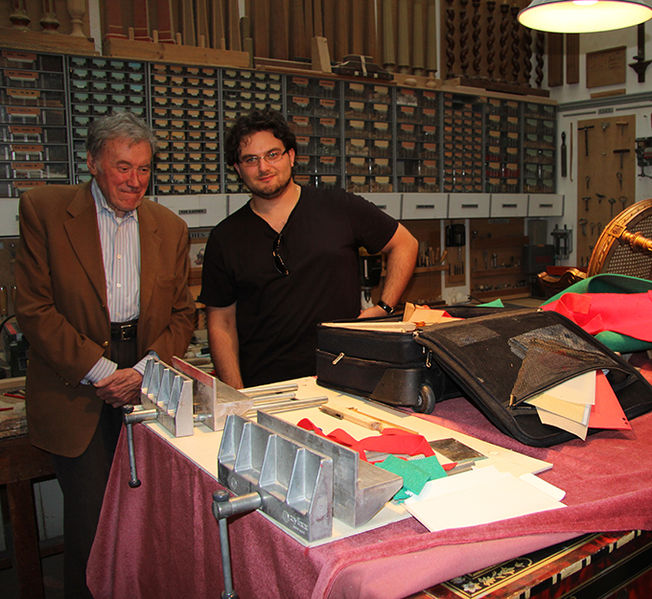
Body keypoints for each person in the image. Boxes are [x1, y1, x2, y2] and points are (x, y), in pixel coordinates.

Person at [15, 111, 195, 598]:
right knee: (92, 527)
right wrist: (101, 372)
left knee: (152, 520)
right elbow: (33, 308)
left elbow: (183, 316)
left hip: (144, 380)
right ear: (93, 162)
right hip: (75, 383)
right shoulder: (45, 211)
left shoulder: (170, 227)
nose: (134, 181)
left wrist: (140, 371)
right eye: (122, 167)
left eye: (143, 169)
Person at [199, 109, 418, 389]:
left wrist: (384, 307)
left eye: (272, 154)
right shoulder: (225, 237)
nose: (263, 167)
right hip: (267, 390)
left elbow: (404, 243)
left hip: (343, 379)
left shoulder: (338, 207)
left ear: (291, 156)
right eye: (250, 160)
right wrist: (237, 396)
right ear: (238, 169)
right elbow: (221, 325)